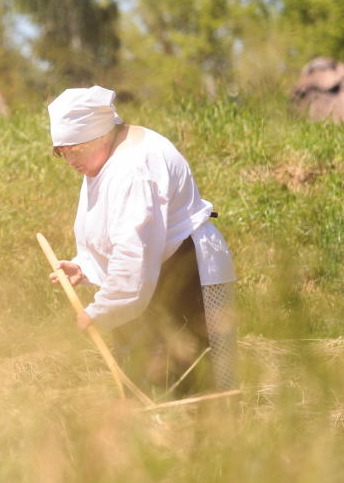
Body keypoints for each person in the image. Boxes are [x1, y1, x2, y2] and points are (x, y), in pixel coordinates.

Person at [46, 85, 237, 394]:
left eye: (74, 150)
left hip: (187, 274)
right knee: (146, 384)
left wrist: (101, 310)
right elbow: (111, 229)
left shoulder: (132, 168)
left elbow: (133, 251)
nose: (69, 160)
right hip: (152, 277)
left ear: (100, 135)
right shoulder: (101, 158)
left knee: (197, 385)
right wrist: (86, 266)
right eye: (61, 152)